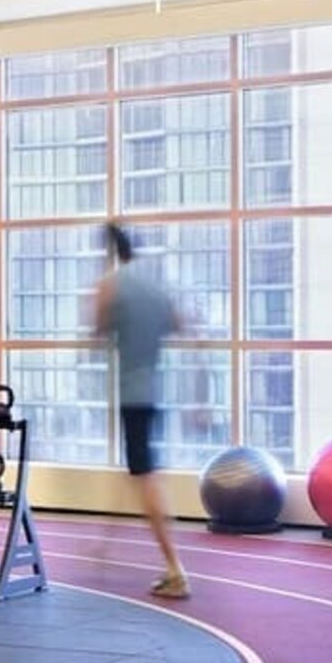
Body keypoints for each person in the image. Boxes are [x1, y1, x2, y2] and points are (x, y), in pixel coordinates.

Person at [93, 222, 188, 599]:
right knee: (138, 472)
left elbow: (98, 329)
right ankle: (108, 546)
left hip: (134, 395)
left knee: (145, 478)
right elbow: (181, 325)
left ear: (111, 251)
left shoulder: (112, 285)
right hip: (150, 393)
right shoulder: (154, 288)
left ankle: (175, 569)